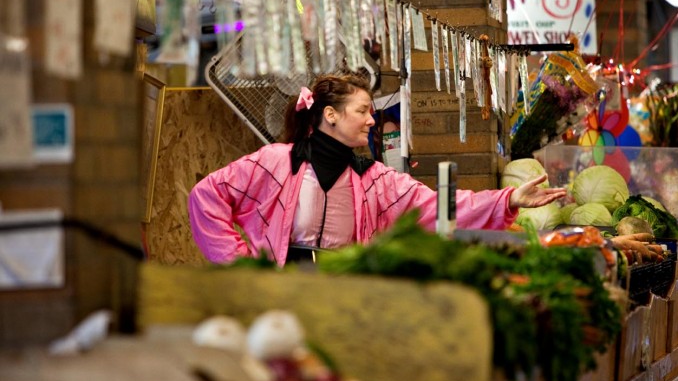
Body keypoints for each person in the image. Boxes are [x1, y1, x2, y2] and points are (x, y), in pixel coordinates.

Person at [188, 73, 566, 266]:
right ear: (331, 116)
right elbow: (206, 197)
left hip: (346, 292)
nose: (372, 120)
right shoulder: (275, 162)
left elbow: (441, 207)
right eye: (363, 111)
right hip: (279, 295)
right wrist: (241, 265)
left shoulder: (376, 180)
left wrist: (509, 198)